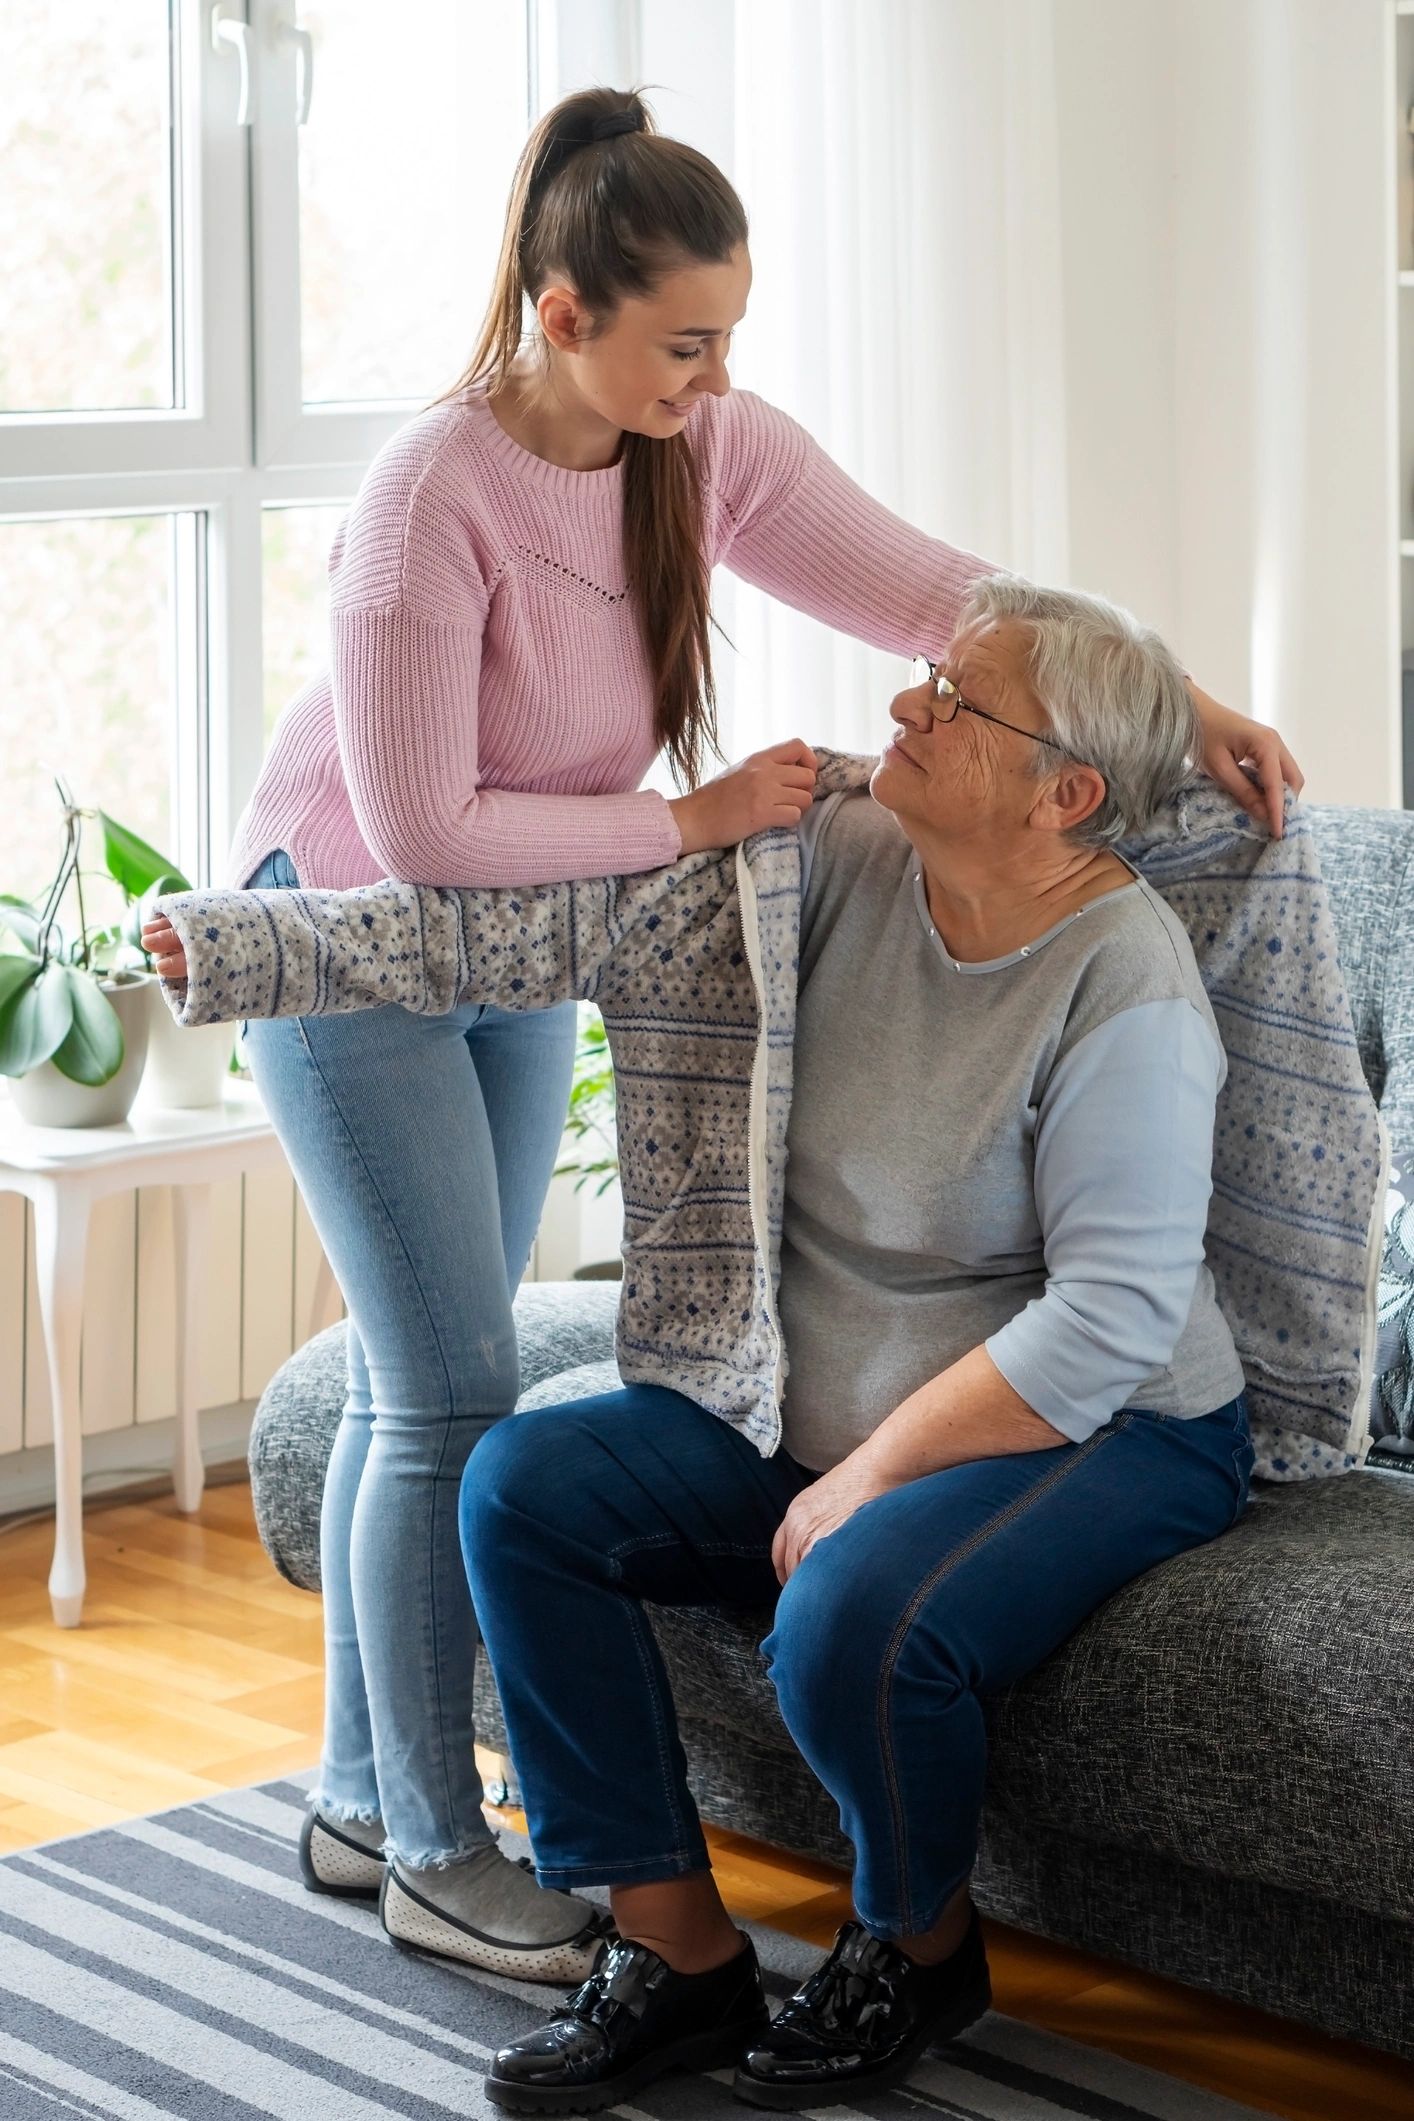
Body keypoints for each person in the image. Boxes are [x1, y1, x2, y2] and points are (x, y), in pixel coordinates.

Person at [146, 574, 1281, 2107]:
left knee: (851, 1622)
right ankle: (677, 1954)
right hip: (841, 1391)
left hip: (1107, 1421)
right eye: (923, 677)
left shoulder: (1121, 985)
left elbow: (1106, 1320)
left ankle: (918, 1948)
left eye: (955, 702)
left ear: (1062, 793)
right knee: (526, 1485)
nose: (903, 707)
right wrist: (262, 949)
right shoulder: (840, 852)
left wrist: (864, 1474)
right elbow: (562, 923)